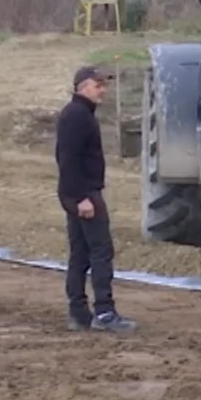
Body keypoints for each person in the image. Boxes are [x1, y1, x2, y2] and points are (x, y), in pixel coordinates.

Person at [55, 66, 135, 332]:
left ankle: (78, 313)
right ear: (82, 87)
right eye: (98, 85)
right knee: (100, 251)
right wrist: (81, 199)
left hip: (77, 192)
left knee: (80, 253)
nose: (103, 90)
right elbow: (68, 160)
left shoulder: (79, 114)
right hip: (84, 194)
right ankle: (104, 312)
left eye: (104, 85)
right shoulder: (77, 116)